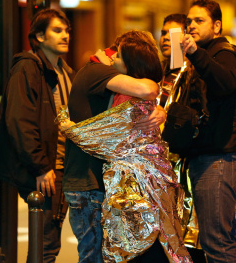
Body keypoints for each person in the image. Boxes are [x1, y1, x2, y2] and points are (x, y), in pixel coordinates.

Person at [63, 30, 176, 263]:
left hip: (99, 182)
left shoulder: (120, 87)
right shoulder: (97, 70)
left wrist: (159, 111)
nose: (114, 60)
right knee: (93, 256)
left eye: (120, 57)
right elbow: (149, 89)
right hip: (87, 183)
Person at [0, 8, 73, 263]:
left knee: (47, 243)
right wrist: (41, 167)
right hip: (46, 170)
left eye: (67, 30)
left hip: (60, 167)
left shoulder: (65, 72)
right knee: (45, 246)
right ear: (40, 36)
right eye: (57, 30)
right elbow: (20, 121)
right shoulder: (28, 67)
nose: (65, 35)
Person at [180, 0, 236, 263]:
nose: (191, 26)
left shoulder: (225, 53)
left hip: (219, 159)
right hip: (209, 159)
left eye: (199, 21)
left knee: (218, 244)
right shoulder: (206, 56)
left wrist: (196, 55)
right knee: (214, 241)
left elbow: (225, 83)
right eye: (188, 21)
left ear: (217, 26)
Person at [158, 13, 188, 108]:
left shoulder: (191, 74)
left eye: (172, 34)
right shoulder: (157, 70)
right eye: (163, 33)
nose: (166, 37)